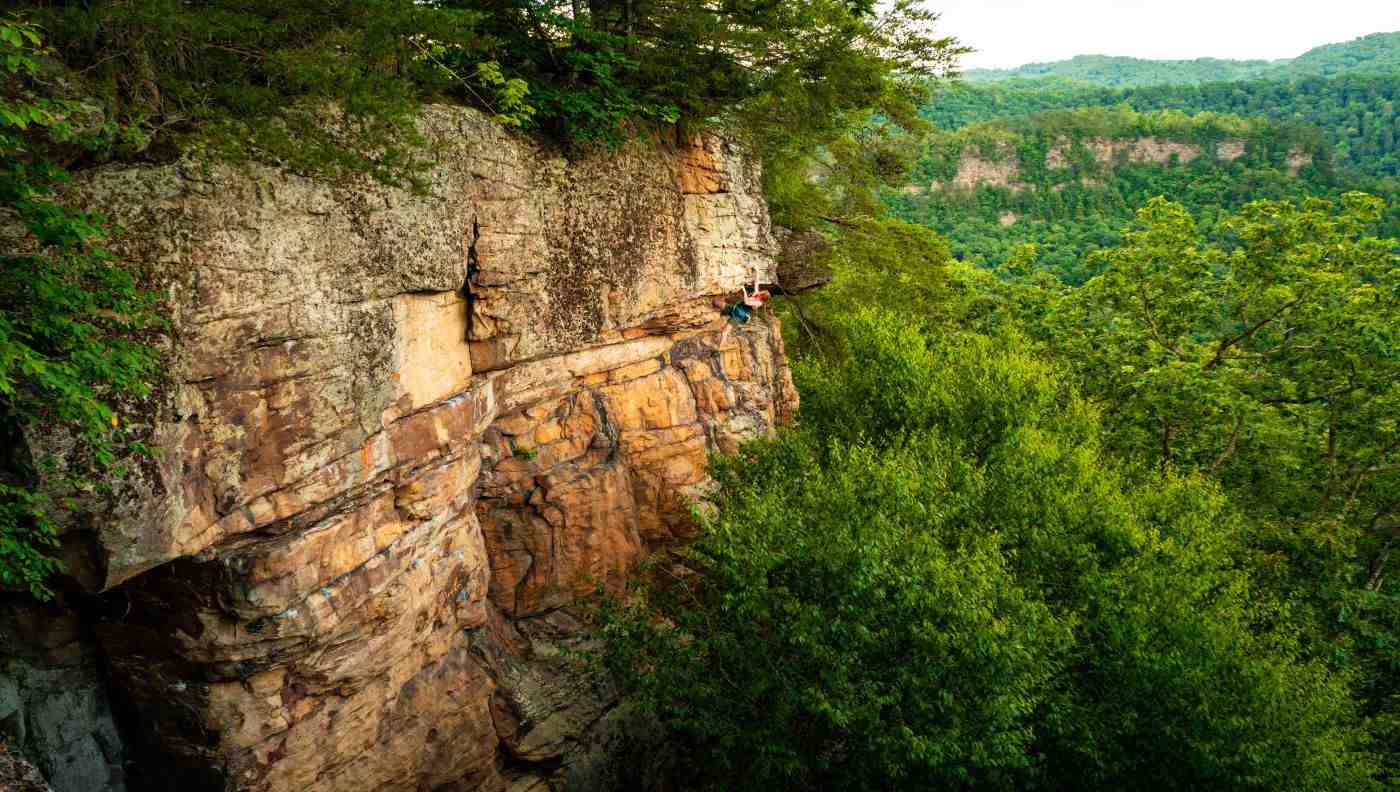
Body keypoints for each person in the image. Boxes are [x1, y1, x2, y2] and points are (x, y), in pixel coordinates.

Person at [713, 270, 771, 348]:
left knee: (725, 331)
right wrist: (757, 272)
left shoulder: (758, 303)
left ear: (762, 296)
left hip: (739, 315)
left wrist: (744, 291)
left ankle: (721, 347)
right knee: (716, 302)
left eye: (762, 292)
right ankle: (723, 340)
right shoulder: (756, 294)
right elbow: (756, 283)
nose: (760, 291)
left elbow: (747, 302)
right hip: (734, 308)